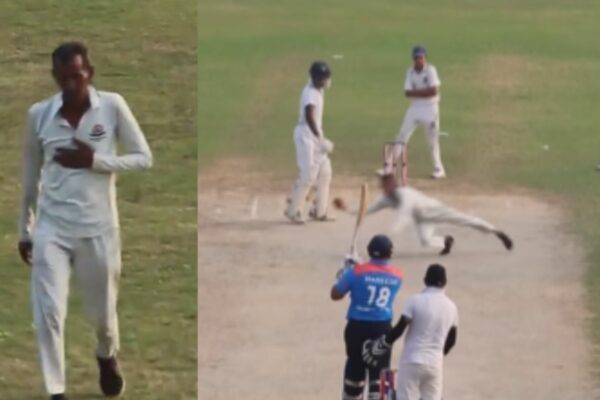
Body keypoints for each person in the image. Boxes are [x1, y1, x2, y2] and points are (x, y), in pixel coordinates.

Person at [18, 42, 153, 400]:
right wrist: (25, 229)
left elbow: (144, 158)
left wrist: (95, 161)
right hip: (52, 229)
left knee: (104, 318)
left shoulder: (111, 106)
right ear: (55, 77)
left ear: (89, 73)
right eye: (63, 78)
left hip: (98, 229)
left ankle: (106, 355)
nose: (70, 84)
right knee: (48, 313)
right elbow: (30, 178)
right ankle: (56, 391)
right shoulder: (39, 115)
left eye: (76, 76)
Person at [334, 173, 513, 255]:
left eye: (387, 186)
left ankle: (496, 232)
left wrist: (386, 240)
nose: (385, 189)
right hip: (421, 219)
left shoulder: (405, 195)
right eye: (384, 186)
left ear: (393, 185)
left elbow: (402, 218)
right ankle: (445, 241)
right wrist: (346, 209)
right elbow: (367, 210)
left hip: (436, 211)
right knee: (426, 241)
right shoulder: (386, 198)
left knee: (465, 220)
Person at [362, 264, 458, 400]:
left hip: (411, 360)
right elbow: (452, 340)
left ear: (425, 280)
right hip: (435, 364)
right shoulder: (451, 307)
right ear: (445, 282)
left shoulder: (415, 300)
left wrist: (380, 346)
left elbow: (399, 329)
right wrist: (438, 354)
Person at [331, 235, 404, 400]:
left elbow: (335, 295)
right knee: (381, 373)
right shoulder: (398, 276)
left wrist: (343, 273)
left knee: (355, 367)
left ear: (369, 251)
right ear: (389, 254)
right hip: (382, 328)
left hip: (357, 327)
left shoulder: (355, 272)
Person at [384, 46, 445, 179]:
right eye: (417, 58)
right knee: (402, 136)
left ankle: (439, 169)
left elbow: (434, 91)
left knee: (432, 140)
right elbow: (407, 92)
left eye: (421, 58)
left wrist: (416, 93)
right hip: (414, 108)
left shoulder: (431, 70)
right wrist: (424, 92)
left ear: (425, 58)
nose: (419, 60)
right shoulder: (410, 72)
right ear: (413, 59)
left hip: (430, 108)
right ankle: (388, 166)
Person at [285, 60, 334, 224]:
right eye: (324, 78)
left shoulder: (318, 89)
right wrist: (320, 139)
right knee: (308, 174)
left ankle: (319, 210)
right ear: (317, 79)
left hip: (314, 133)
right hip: (306, 135)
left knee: (325, 171)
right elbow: (309, 116)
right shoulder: (310, 93)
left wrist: (319, 137)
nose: (327, 81)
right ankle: (293, 211)